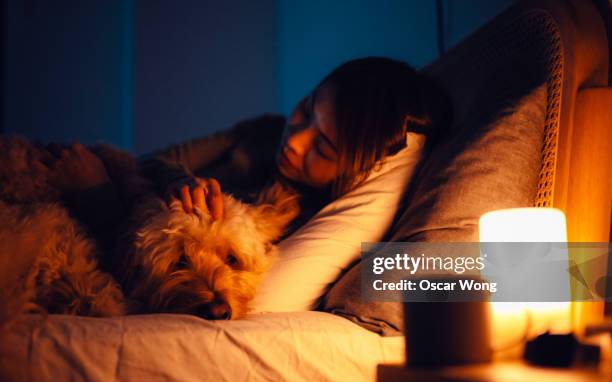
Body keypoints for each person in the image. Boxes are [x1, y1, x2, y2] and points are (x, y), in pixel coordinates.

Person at [47, 57, 451, 245]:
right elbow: (152, 159)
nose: (294, 141)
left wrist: (95, 195)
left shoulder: (308, 222)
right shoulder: (264, 131)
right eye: (307, 109)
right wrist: (178, 179)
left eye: (323, 148)